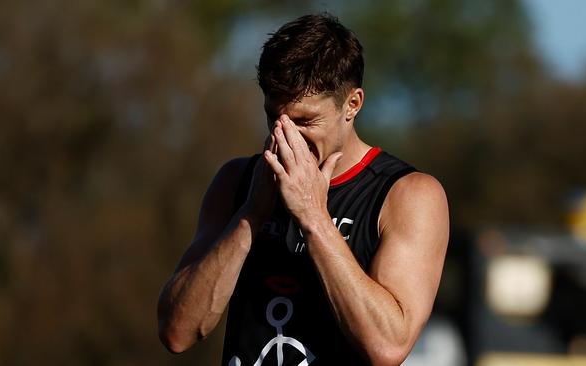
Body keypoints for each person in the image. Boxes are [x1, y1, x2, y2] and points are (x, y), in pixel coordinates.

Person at [157, 13, 449, 366]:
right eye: (274, 118)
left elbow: (387, 346)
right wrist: (251, 215)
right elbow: (177, 331)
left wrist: (313, 215)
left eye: (305, 121)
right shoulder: (237, 182)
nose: (287, 136)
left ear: (352, 104)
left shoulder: (407, 195)